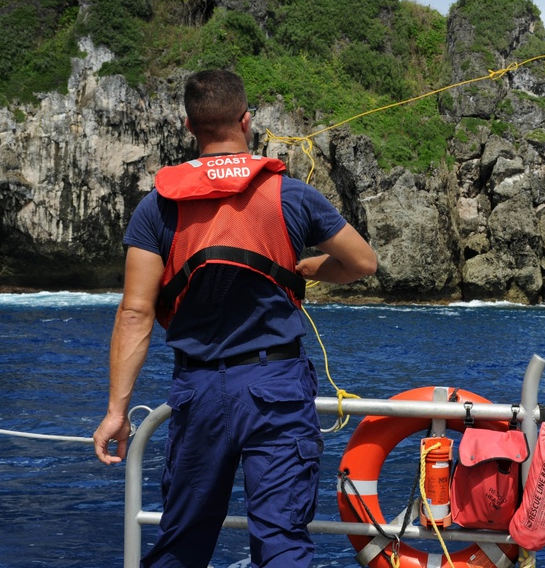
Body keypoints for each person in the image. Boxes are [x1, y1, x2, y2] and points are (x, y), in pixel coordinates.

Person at [93, 69, 378, 567]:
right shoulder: (291, 195)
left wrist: (118, 411)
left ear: (188, 126)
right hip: (277, 386)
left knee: (183, 541)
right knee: (282, 542)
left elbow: (136, 311)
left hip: (199, 390)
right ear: (246, 121)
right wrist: (307, 267)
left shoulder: (157, 207)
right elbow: (362, 263)